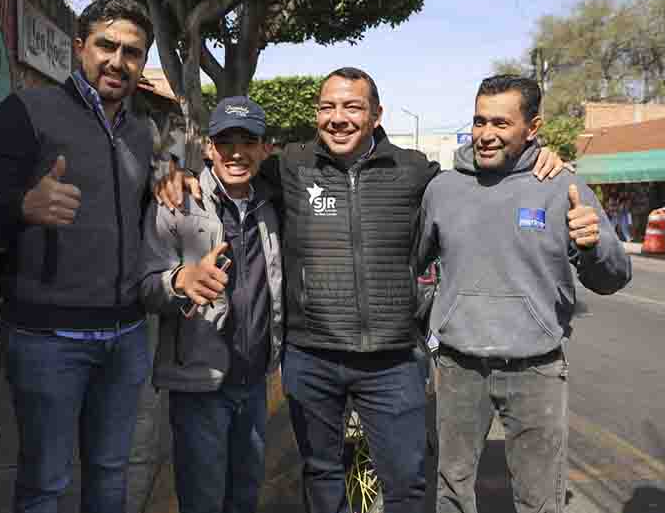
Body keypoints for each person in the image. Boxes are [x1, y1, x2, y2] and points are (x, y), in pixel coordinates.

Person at [159, 67, 568, 513]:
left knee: (408, 483)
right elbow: (232, 168)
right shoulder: (290, 167)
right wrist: (174, 172)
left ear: (376, 115)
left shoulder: (413, 170)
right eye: (328, 107)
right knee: (321, 475)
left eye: (352, 107)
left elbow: (475, 178)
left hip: (391, 362)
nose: (338, 118)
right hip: (311, 358)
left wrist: (536, 159)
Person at [0, 0, 155, 513]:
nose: (117, 60)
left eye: (132, 51)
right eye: (106, 45)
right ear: (79, 46)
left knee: (110, 477)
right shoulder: (28, 110)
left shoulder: (141, 132)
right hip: (48, 342)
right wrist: (23, 206)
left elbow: (136, 214)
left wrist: (169, 181)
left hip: (127, 338)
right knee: (46, 485)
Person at [417, 74, 632, 513]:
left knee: (538, 497)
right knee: (451, 490)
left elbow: (613, 277)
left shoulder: (560, 187)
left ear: (532, 128)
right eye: (479, 121)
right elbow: (412, 266)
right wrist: (429, 324)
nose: (486, 135)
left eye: (501, 123)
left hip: (537, 369)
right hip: (459, 366)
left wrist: (595, 247)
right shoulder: (443, 189)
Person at [141, 97, 284, 513]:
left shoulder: (273, 203)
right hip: (200, 386)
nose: (236, 152)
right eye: (225, 141)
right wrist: (181, 281)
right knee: (202, 499)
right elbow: (145, 287)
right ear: (207, 147)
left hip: (255, 381)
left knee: (245, 494)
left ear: (265, 147)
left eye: (248, 140)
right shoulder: (176, 203)